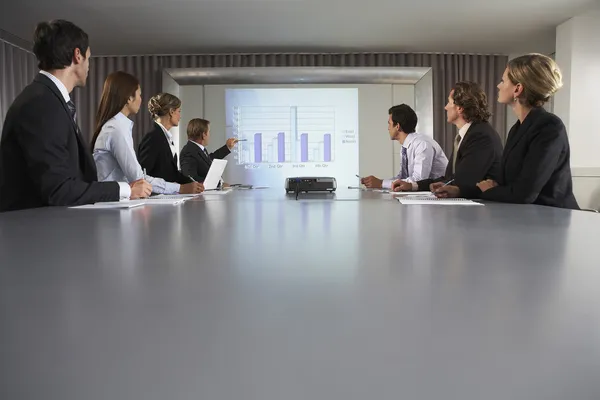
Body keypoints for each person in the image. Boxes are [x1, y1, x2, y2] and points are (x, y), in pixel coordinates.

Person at [0, 20, 149, 212]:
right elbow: (58, 189)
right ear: (77, 55)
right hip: (34, 233)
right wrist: (126, 189)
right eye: (89, 58)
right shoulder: (41, 104)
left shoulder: (48, 99)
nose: (89, 66)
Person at [435, 54, 579, 210]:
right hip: (527, 217)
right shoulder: (517, 128)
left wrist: (490, 190)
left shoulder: (549, 127)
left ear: (517, 89)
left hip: (554, 219)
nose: (498, 86)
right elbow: (504, 186)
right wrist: (459, 190)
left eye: (503, 81)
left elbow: (524, 194)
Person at [91, 72, 203, 195]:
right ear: (129, 98)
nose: (141, 99)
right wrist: (179, 188)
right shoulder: (116, 129)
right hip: (112, 204)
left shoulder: (119, 127)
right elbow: (138, 178)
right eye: (139, 95)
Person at [392, 82, 503, 192]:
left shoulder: (480, 136)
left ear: (459, 108)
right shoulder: (469, 134)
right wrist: (413, 186)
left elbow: (464, 181)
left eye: (449, 102)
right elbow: (449, 179)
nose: (445, 107)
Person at [361, 104, 447, 189]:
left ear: (397, 126)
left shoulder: (422, 144)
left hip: (437, 196)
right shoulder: (405, 147)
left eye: (389, 124)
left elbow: (419, 181)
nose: (388, 128)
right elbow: (402, 178)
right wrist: (379, 182)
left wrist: (381, 183)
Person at [137, 93, 203, 193]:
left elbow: (173, 173)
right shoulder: (153, 137)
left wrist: (195, 184)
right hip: (156, 200)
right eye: (179, 111)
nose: (180, 116)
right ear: (171, 112)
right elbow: (143, 175)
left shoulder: (164, 136)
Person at [180, 118, 238, 183]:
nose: (209, 135)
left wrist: (227, 147)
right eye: (209, 132)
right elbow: (191, 178)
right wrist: (218, 184)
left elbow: (208, 160)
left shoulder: (196, 149)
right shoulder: (188, 152)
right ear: (204, 135)